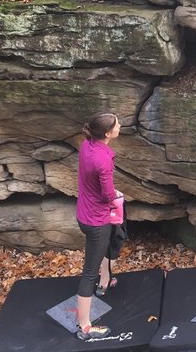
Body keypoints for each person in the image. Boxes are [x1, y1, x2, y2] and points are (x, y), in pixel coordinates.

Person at [74, 112, 124, 341]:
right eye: (116, 124)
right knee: (88, 273)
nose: (120, 126)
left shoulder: (87, 145)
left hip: (85, 214)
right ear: (107, 133)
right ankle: (84, 325)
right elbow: (106, 194)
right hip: (97, 220)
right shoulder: (102, 160)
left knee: (110, 243)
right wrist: (117, 195)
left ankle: (105, 281)